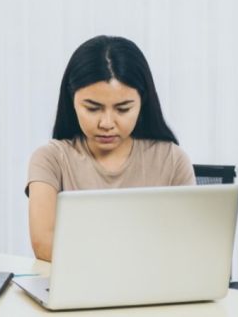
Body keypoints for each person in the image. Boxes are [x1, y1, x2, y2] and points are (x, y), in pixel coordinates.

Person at [26, 35, 195, 262]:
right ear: (72, 100)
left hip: (155, 289)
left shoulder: (172, 159)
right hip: (79, 289)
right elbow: (43, 245)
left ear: (142, 102)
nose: (106, 123)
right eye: (93, 108)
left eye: (123, 109)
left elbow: (189, 244)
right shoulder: (50, 158)